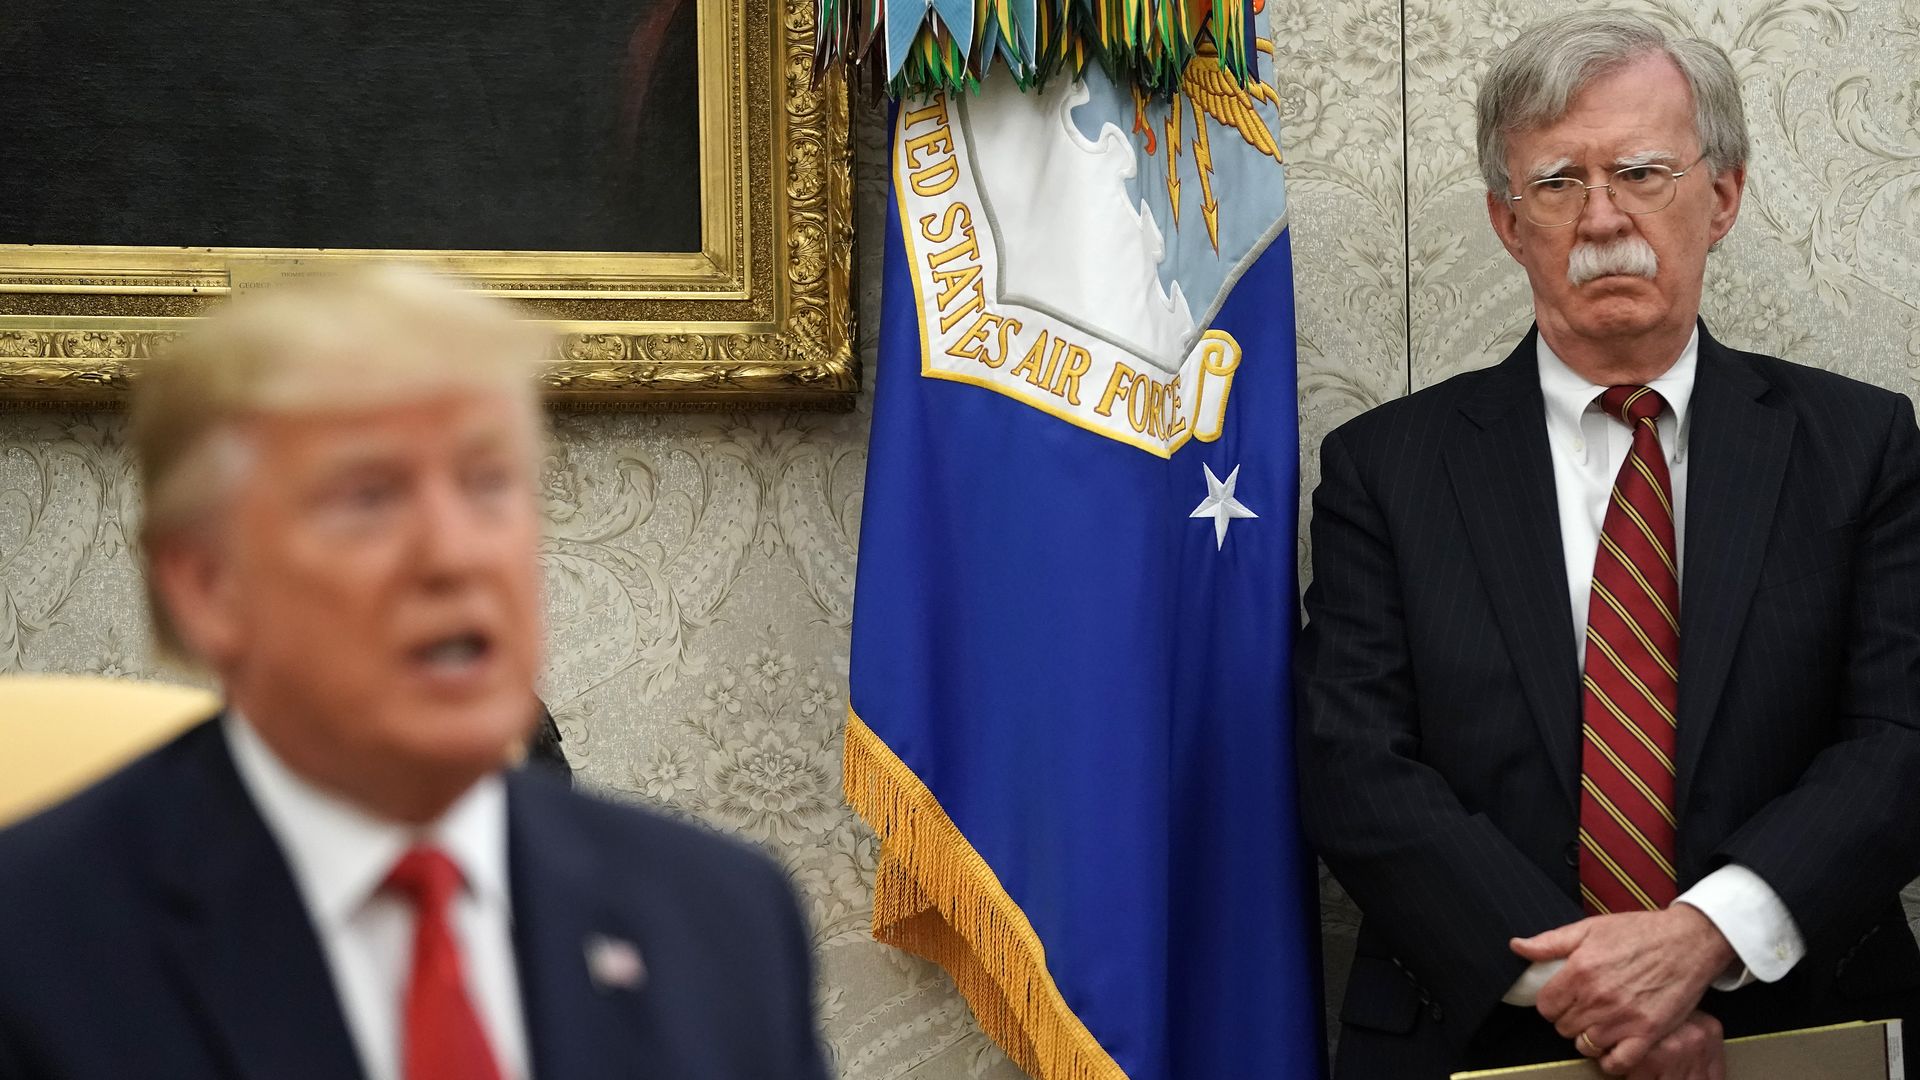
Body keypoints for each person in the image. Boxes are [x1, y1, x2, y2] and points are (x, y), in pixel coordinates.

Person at [0, 268, 827, 1080]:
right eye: (370, 498)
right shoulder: (36, 948)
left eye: (487, 483)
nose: (454, 554)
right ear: (208, 585)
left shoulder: (723, 917)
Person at [1296, 12, 1920, 1078]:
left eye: (1642, 171)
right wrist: (1592, 991)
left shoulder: (1862, 446)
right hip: (1476, 1032)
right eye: (1557, 183)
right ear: (1506, 218)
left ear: (1720, 196)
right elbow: (1353, 765)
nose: (1603, 217)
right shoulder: (1383, 468)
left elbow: (1900, 737)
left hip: (1792, 1026)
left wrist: (1702, 941)